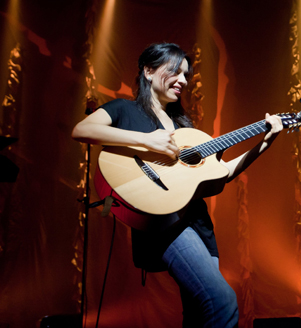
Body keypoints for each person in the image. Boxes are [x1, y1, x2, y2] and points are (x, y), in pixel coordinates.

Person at [72, 42, 283, 328]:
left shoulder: (185, 128)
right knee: (223, 303)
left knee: (198, 315)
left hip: (198, 225)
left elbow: (222, 174)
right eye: (176, 72)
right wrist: (147, 140)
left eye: (186, 75)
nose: (184, 81)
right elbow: (82, 130)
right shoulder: (125, 109)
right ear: (148, 71)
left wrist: (264, 144)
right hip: (164, 225)